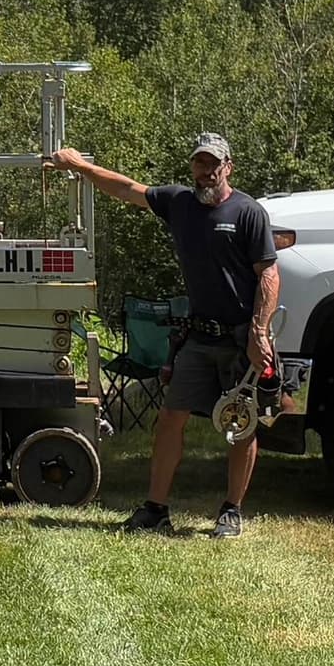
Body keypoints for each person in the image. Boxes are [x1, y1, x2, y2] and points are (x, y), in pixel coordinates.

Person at [50, 132, 277, 538]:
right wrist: (82, 168)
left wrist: (258, 334)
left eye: (214, 164)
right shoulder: (179, 203)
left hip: (241, 337)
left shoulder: (248, 212)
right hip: (198, 336)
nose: (206, 172)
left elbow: (269, 275)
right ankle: (156, 510)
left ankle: (231, 510)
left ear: (229, 167)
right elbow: (126, 188)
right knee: (171, 418)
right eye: (199, 163)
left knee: (241, 423)